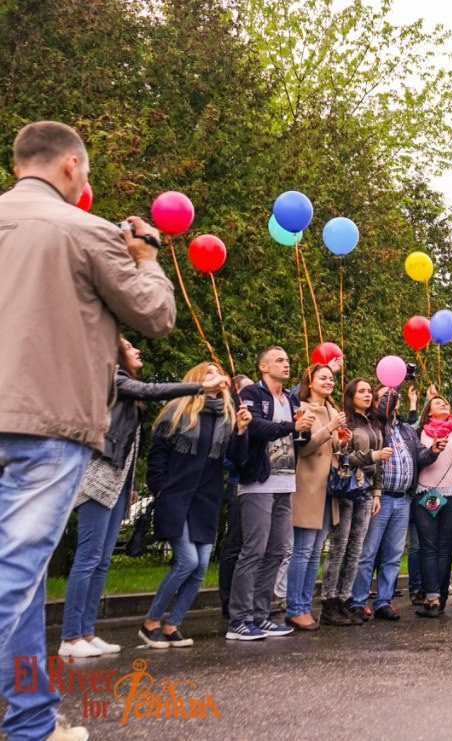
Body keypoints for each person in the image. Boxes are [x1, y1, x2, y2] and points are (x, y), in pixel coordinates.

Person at [0, 121, 176, 741]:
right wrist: (148, 258)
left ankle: (30, 721)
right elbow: (155, 314)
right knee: (12, 574)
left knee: (20, 579)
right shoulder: (86, 230)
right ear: (71, 167)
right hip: (45, 422)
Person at [60, 339, 223, 658]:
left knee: (102, 560)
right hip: (99, 478)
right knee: (89, 557)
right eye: (131, 347)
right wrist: (199, 386)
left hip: (118, 482)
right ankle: (70, 635)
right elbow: (150, 391)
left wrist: (131, 484)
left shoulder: (129, 395)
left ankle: (87, 632)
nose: (138, 351)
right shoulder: (113, 379)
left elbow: (126, 446)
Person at [140, 364, 251, 648]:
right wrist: (159, 488)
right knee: (187, 560)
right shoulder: (178, 410)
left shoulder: (225, 417)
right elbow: (158, 455)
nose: (217, 377)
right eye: (209, 372)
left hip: (206, 499)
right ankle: (150, 623)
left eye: (219, 373)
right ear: (196, 380)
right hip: (176, 495)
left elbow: (235, 461)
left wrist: (240, 432)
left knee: (201, 566)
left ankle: (172, 625)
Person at [227, 347, 315, 641]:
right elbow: (256, 426)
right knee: (253, 550)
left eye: (288, 360)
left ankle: (261, 615)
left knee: (277, 551)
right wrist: (292, 425)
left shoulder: (290, 398)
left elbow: (296, 439)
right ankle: (239, 619)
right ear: (263, 366)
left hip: (285, 482)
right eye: (279, 360)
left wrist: (305, 430)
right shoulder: (253, 393)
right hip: (258, 482)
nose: (286, 363)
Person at [353, 387, 431, 621]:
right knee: (368, 553)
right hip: (381, 496)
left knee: (393, 555)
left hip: (403, 499)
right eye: (385, 396)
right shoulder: (375, 426)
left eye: (393, 396)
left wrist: (434, 451)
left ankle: (383, 602)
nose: (391, 399)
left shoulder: (407, 429)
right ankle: (357, 601)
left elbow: (421, 457)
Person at [285, 364, 349, 631]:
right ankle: (294, 608)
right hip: (307, 486)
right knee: (302, 550)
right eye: (323, 377)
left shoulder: (332, 410)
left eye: (331, 378)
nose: (329, 382)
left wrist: (342, 440)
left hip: (328, 488)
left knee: (314, 552)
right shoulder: (301, 408)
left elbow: (332, 446)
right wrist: (330, 428)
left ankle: (305, 606)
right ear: (309, 382)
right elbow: (304, 447)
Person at [331, 378, 389, 624]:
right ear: (350, 395)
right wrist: (373, 455)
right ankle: (330, 602)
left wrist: (377, 492)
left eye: (369, 391)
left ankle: (346, 601)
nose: (367, 395)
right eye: (361, 391)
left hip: (366, 491)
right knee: (340, 546)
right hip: (347, 488)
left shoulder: (374, 424)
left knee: (356, 549)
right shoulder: (345, 421)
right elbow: (341, 455)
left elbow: (381, 463)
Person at [414, 390, 452, 618]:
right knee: (429, 546)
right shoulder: (419, 432)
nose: (443, 404)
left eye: (445, 403)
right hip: (427, 492)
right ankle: (431, 596)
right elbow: (418, 459)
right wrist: (433, 451)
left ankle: (439, 596)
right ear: (429, 411)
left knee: (445, 548)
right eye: (437, 403)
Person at [219, 373, 257, 618]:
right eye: (249, 392)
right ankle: (228, 603)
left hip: (256, 486)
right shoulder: (230, 421)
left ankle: (247, 600)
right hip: (237, 485)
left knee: (253, 546)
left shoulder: (254, 417)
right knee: (235, 544)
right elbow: (226, 460)